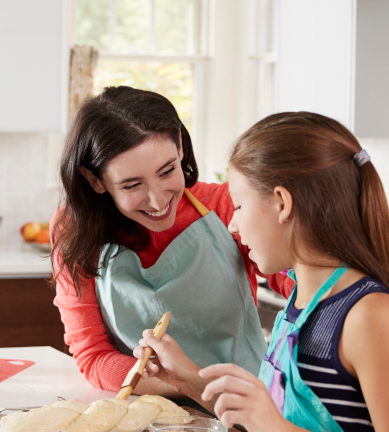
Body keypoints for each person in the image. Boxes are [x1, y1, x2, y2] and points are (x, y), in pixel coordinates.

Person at [135, 112, 389, 432]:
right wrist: (188, 379)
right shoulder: (301, 300)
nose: (233, 226)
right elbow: (273, 425)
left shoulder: (370, 316)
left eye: (239, 206)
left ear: (281, 203)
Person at [50, 86, 295, 397]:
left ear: (179, 145)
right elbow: (93, 356)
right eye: (132, 185)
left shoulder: (225, 207)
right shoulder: (74, 230)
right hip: (149, 410)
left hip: (245, 407)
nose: (157, 200)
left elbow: (302, 287)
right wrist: (178, 384)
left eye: (167, 171)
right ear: (95, 180)